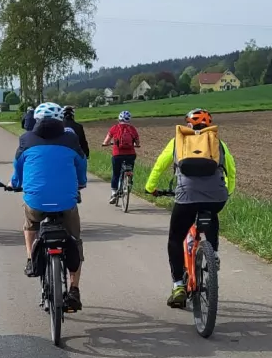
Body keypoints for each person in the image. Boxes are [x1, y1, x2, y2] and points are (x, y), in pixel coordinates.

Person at [145, 108, 236, 308]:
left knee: (175, 238)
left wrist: (150, 187)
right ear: (209, 125)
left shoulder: (178, 141)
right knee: (211, 213)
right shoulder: (217, 142)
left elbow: (160, 165)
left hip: (187, 197)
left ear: (188, 125)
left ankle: (178, 285)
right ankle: (214, 254)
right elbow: (231, 168)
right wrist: (227, 191)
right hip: (216, 196)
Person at [11, 101, 87, 312]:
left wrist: (16, 184)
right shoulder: (71, 139)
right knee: (75, 239)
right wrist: (82, 181)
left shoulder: (26, 139)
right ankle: (74, 289)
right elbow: (81, 164)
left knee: (30, 225)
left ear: (36, 120)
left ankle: (30, 259)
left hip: (36, 202)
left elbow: (17, 167)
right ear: (60, 119)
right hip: (66, 202)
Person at [101, 109, 140, 203]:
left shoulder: (114, 128)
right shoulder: (132, 129)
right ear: (129, 120)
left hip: (117, 155)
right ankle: (129, 181)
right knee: (130, 169)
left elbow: (106, 141)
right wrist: (136, 145)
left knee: (116, 174)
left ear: (119, 119)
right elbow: (137, 142)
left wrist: (105, 144)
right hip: (130, 154)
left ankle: (114, 193)